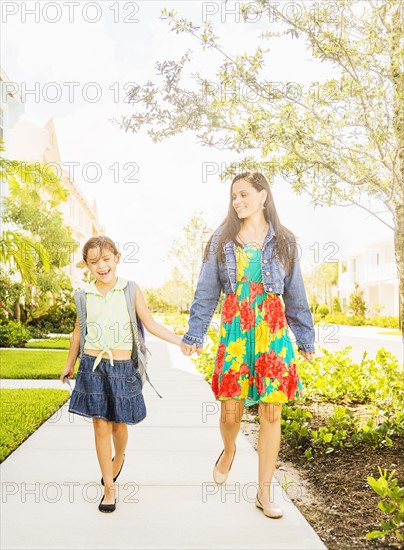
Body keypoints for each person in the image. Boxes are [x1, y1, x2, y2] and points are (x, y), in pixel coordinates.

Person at [181, 172, 315, 519]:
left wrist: (304, 337)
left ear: (263, 196)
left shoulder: (285, 241)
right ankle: (228, 450)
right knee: (231, 410)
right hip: (236, 329)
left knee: (272, 411)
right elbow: (206, 290)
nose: (237, 201)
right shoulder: (221, 239)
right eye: (233, 196)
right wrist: (195, 334)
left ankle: (264, 492)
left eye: (243, 195)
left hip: (272, 330)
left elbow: (295, 293)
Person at [60, 235, 182, 513]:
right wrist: (70, 363)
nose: (101, 266)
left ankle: (120, 455)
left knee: (119, 425)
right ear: (87, 266)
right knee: (100, 425)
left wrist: (180, 340)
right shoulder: (83, 295)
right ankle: (109, 487)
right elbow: (78, 333)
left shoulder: (130, 289)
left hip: (123, 368)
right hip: (92, 367)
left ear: (117, 258)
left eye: (106, 259)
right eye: (94, 262)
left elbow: (149, 324)